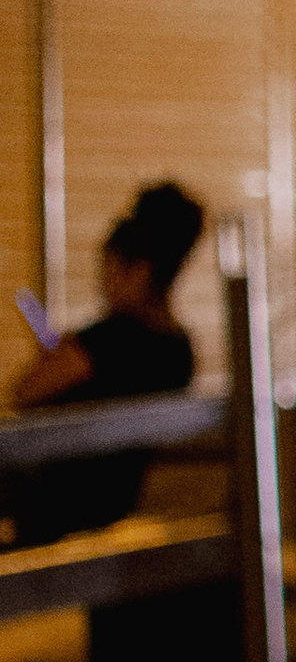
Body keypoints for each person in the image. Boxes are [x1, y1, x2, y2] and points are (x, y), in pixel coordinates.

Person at [5, 180, 205, 547]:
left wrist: (54, 356)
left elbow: (23, 392)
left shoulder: (108, 340)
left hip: (64, 503)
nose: (104, 286)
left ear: (139, 272)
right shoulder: (181, 349)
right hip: (122, 499)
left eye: (108, 271)